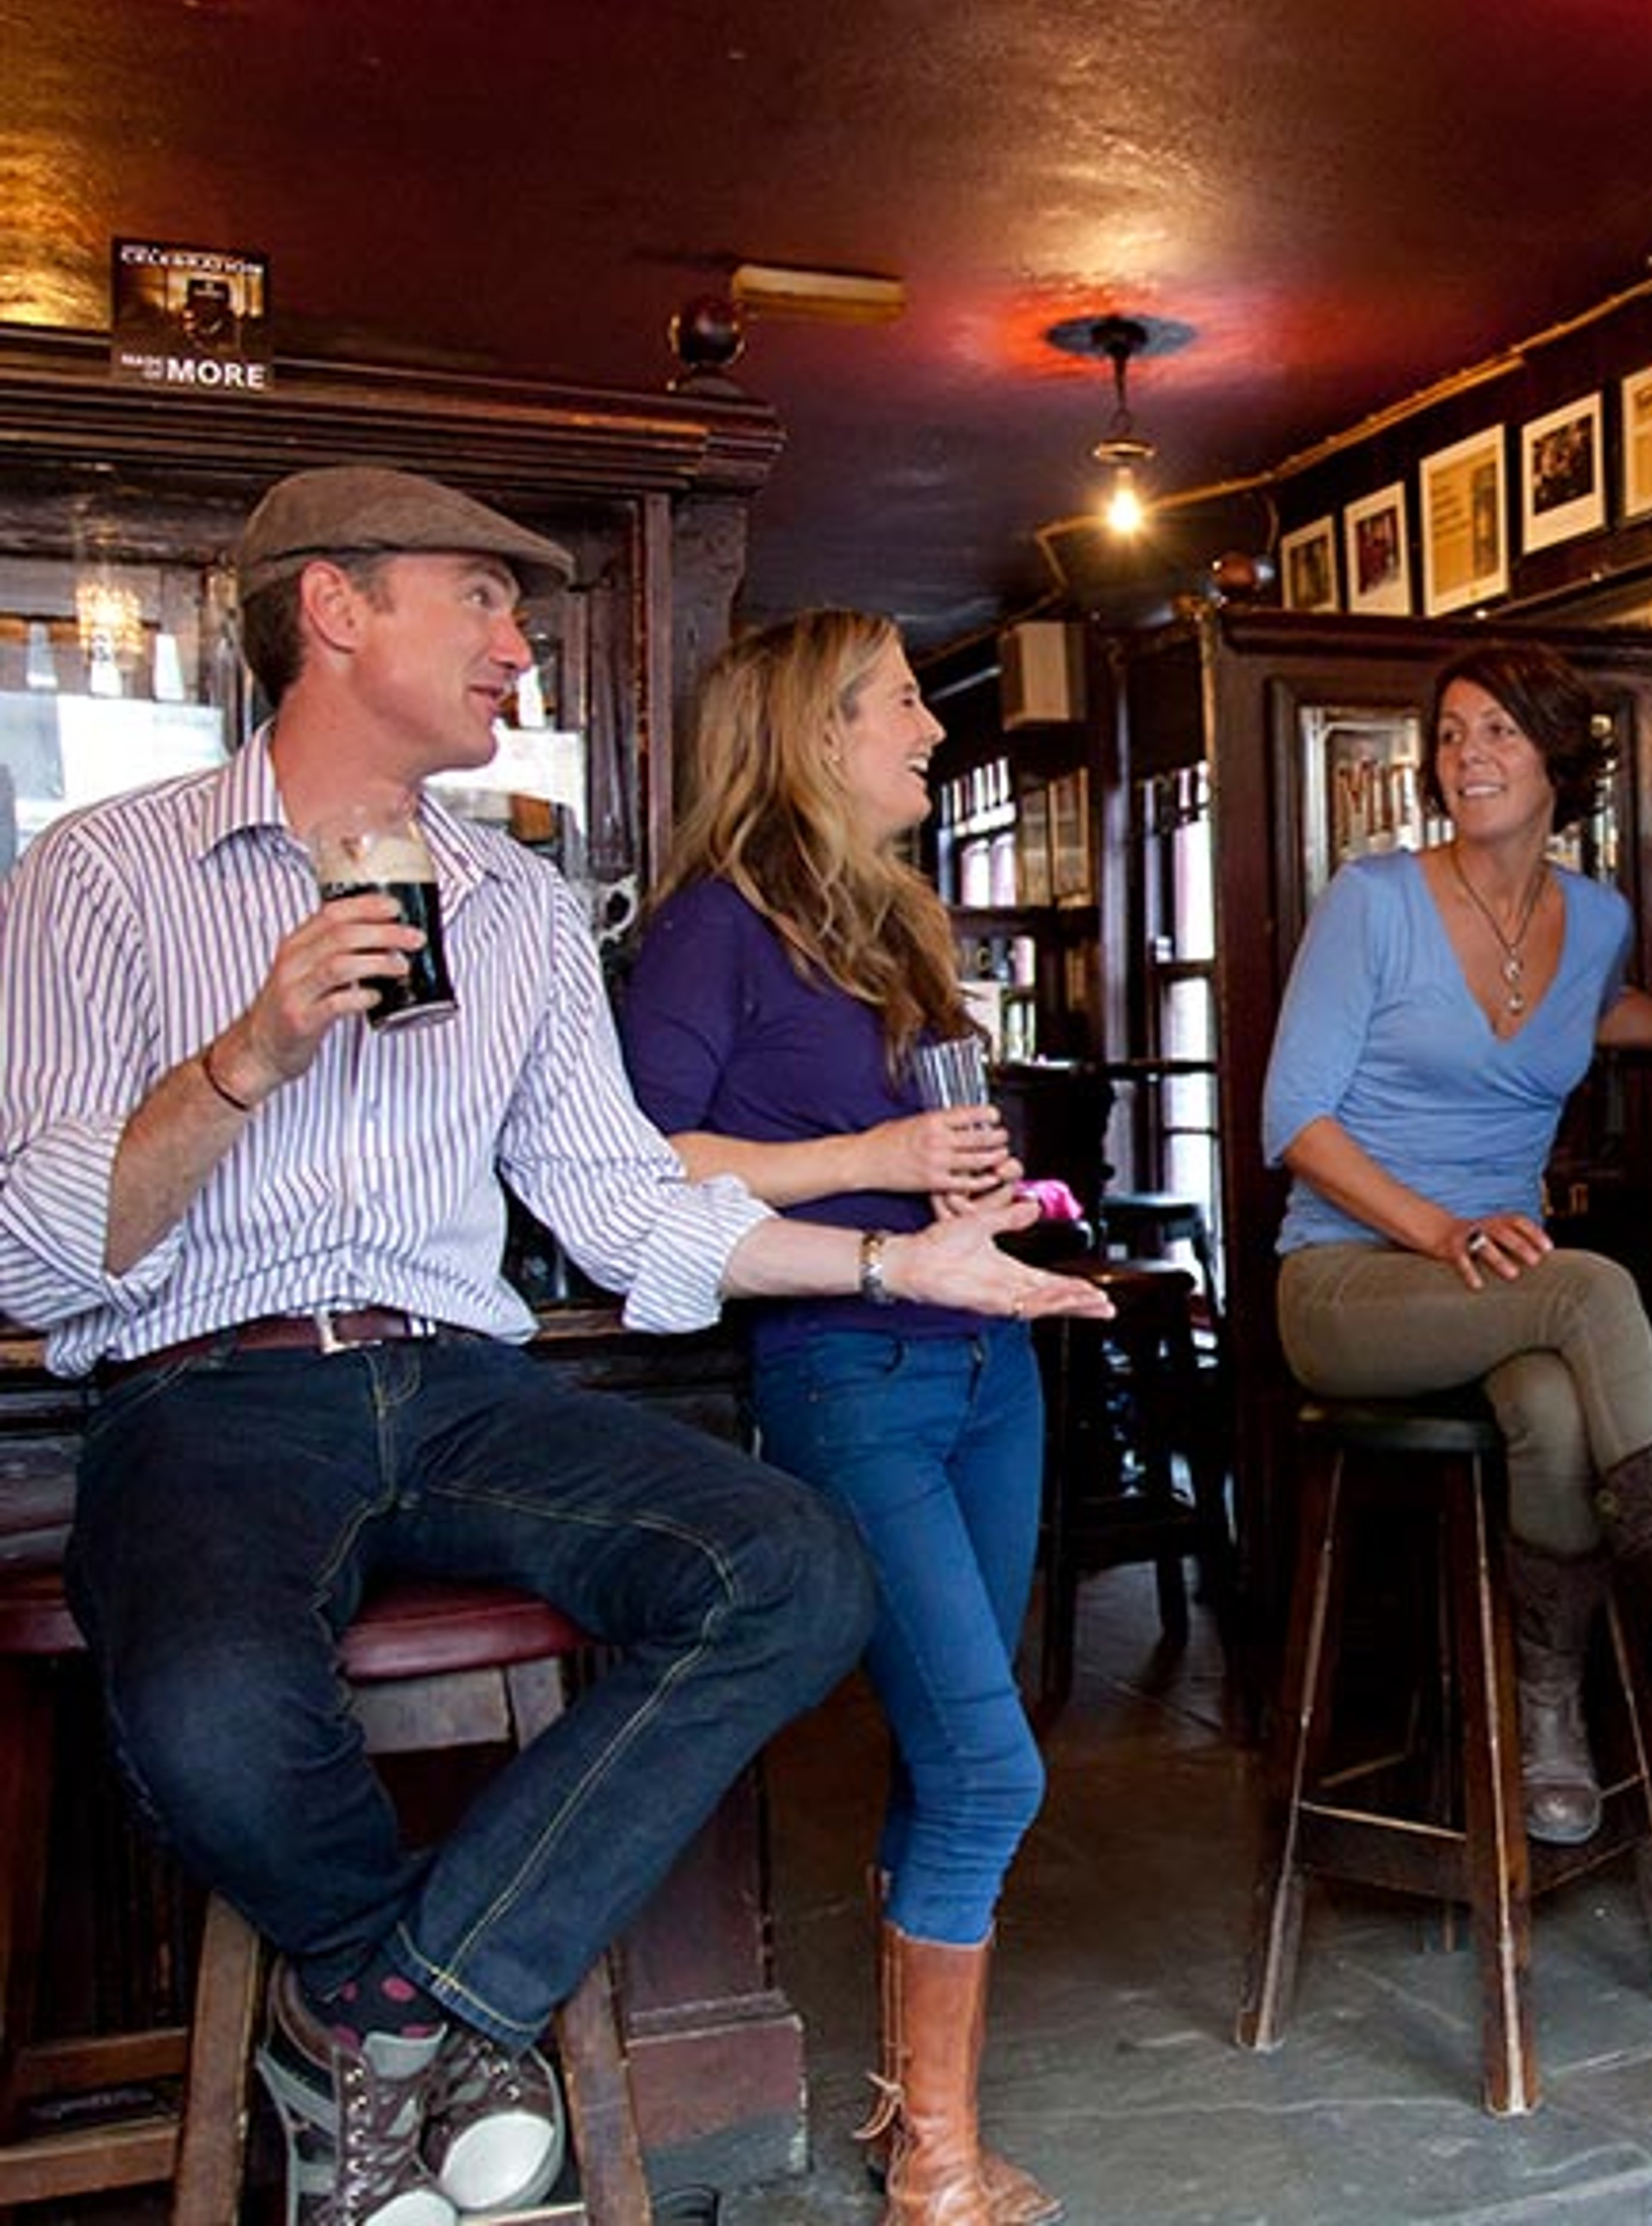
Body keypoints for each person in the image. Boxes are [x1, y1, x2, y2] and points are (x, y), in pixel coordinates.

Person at [0, 468, 1111, 2226]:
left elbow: (621, 1205)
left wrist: (905, 1279)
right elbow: (39, 1252)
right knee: (210, 1708)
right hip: (206, 1386)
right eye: (483, 605)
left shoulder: (514, 912)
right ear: (338, 611)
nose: (525, 646)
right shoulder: (101, 873)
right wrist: (245, 1059)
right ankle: (432, 2034)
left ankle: (375, 2017)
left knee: (792, 1571)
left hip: (458, 1383)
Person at [1264, 640, 1652, 1848]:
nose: (1469, 757)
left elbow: (1592, 1016)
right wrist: (1440, 1229)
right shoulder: (1375, 900)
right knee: (1592, 1289)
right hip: (1353, 1276)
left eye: (1499, 731)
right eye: (1452, 734)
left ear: (1560, 757)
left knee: (1557, 1412)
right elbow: (1293, 1121)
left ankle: (1545, 1717)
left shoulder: (1593, 915)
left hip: (1499, 1283)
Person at [616, 610, 1063, 2226]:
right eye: (901, 707)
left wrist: (970, 1176)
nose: (934, 736)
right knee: (990, 1764)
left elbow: (912, 1138)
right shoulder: (711, 928)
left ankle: (911, 2118)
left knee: (956, 1749)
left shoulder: (897, 919)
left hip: (979, 1366)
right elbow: (643, 1161)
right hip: (844, 1369)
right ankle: (937, 2165)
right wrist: (872, 1161)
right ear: (814, 732)